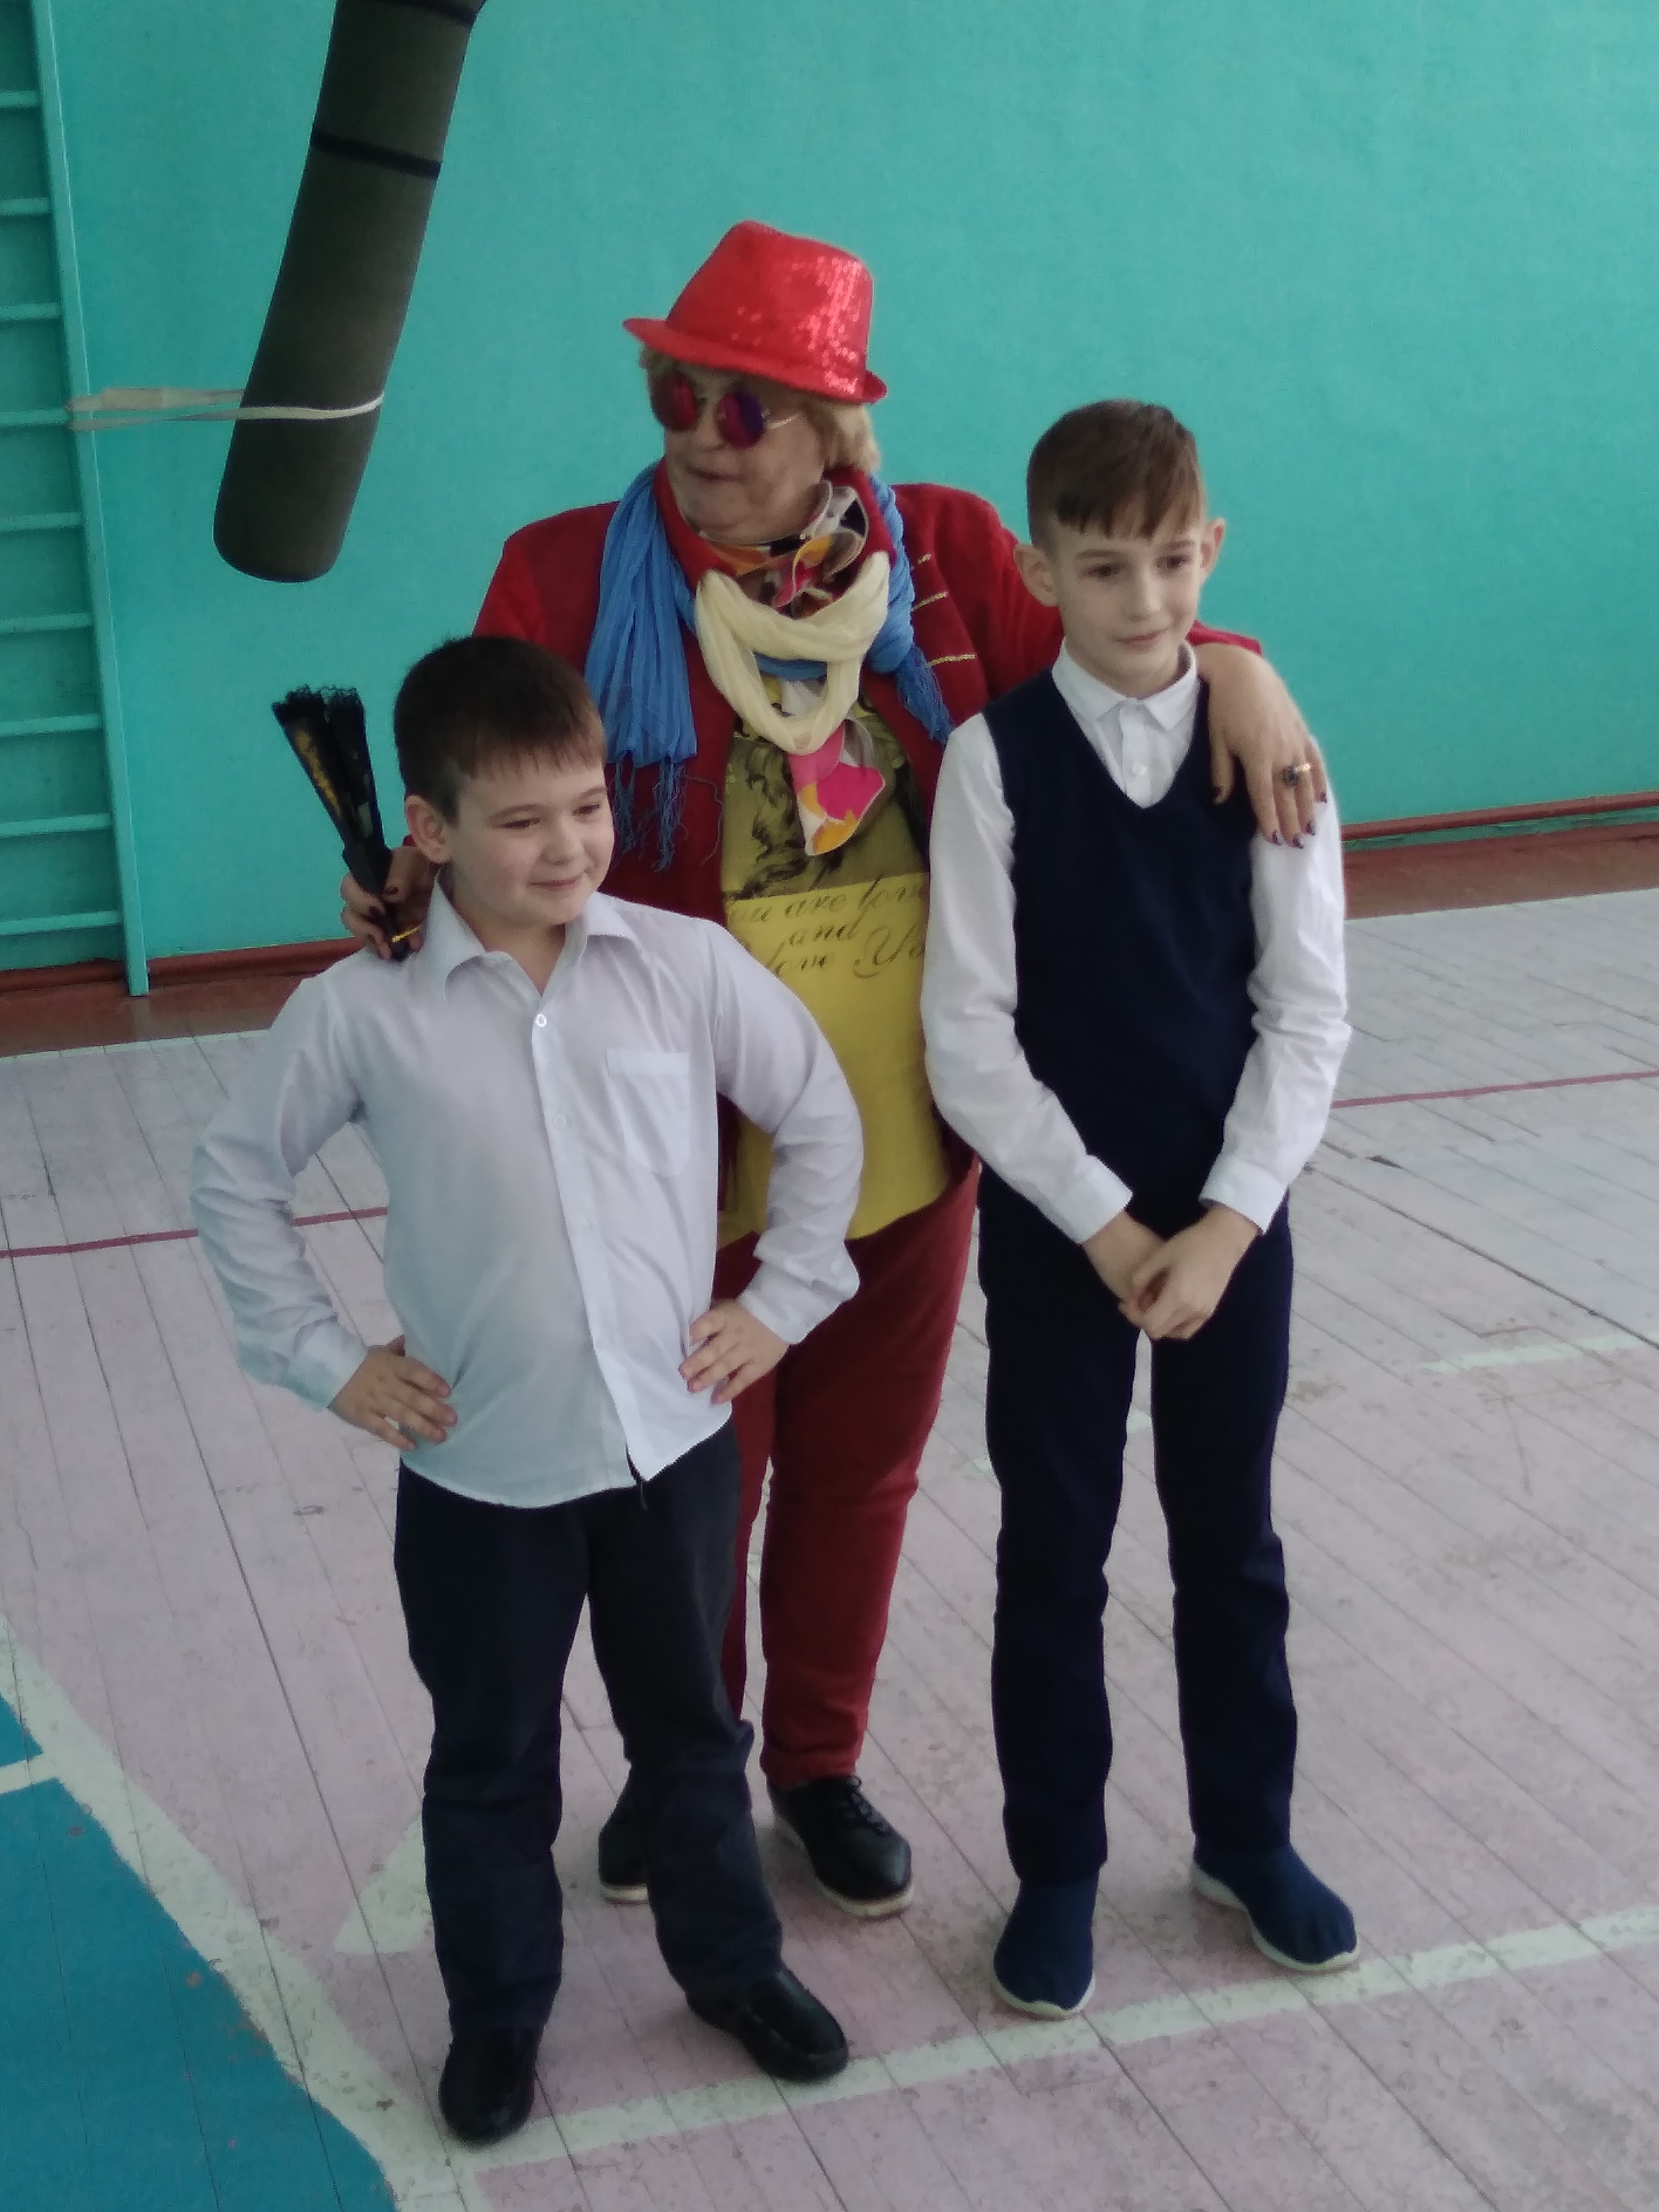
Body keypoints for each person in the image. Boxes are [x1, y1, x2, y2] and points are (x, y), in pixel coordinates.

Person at [342, 220, 1330, 1920]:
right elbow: (482, 781)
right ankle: (689, 1763)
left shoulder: (943, 554)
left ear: (834, 430)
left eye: (744, 410)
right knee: (692, 1485)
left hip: (904, 1135)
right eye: (674, 397)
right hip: (672, 1144)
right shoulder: (567, 577)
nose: (698, 441)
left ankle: (816, 1764)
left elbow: (1125, 646)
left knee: (860, 1474)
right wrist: (412, 876)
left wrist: (1242, 664)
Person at [193, 637, 864, 2144]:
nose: (568, 846)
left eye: (587, 806)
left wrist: (782, 1302)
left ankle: (733, 1967)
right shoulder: (361, 1013)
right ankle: (498, 2014)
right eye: (521, 821)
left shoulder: (681, 968)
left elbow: (820, 1112)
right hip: (481, 1474)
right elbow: (234, 1178)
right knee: (491, 1761)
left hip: (672, 1452)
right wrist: (327, 1360)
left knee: (692, 1733)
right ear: (428, 829)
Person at [920, 399, 1354, 2018]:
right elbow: (968, 1037)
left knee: (1229, 1542)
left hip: (1233, 1225)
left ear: (1212, 552)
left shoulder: (1274, 752)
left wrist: (1229, 1222)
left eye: (1174, 562)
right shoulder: (993, 762)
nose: (1147, 600)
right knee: (1055, 1548)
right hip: (1063, 1236)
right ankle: (1058, 1871)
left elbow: (1308, 1013)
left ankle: (1247, 1838)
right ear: (1042, 571)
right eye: (1104, 568)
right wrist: (1106, 1226)